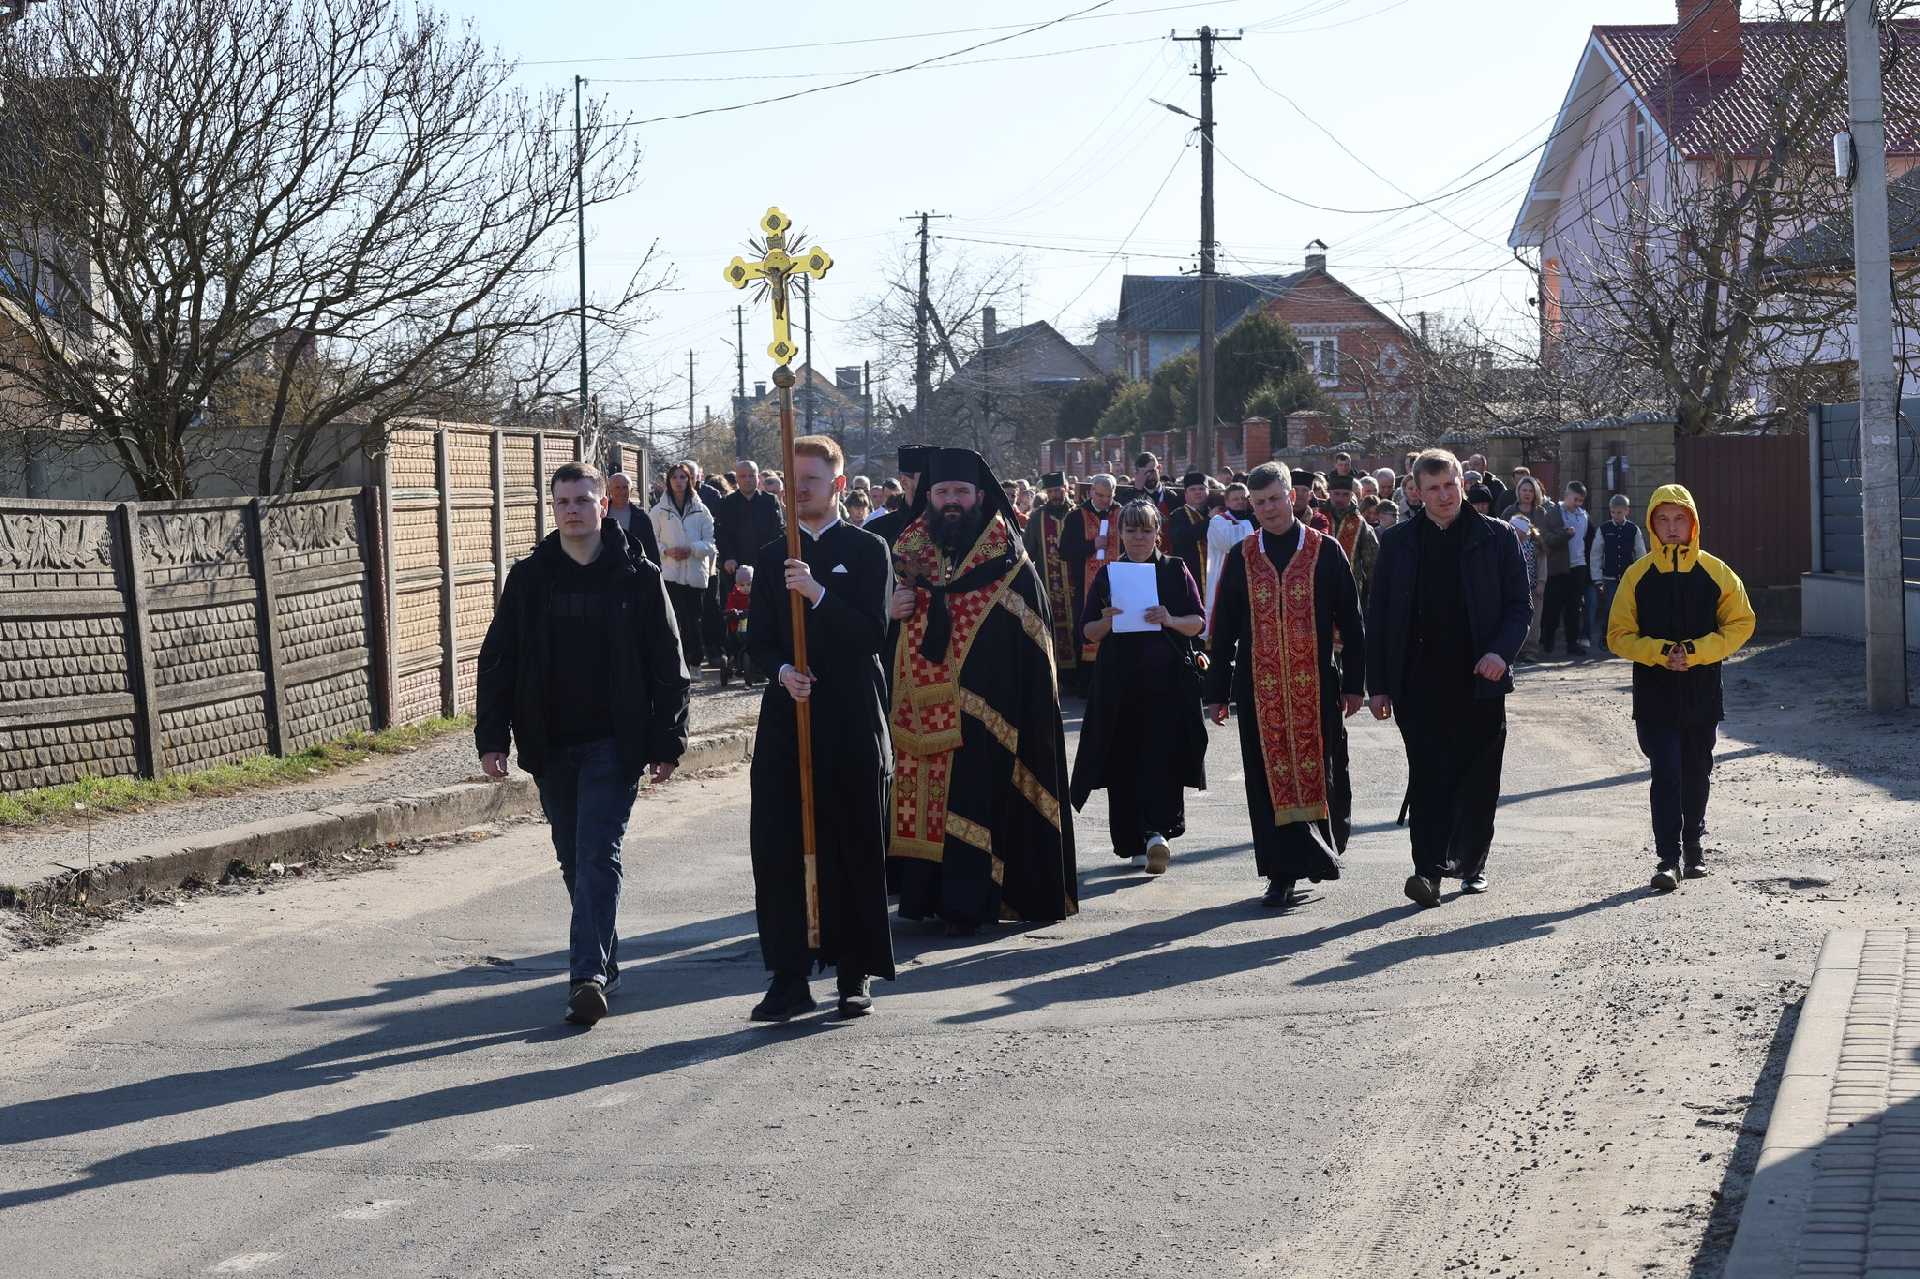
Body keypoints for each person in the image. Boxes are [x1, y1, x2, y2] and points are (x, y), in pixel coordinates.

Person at [475, 461, 690, 1026]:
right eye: (562, 501)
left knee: (598, 852)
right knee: (573, 858)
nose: (572, 510)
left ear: (604, 505)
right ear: (553, 509)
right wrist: (492, 737)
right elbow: (499, 661)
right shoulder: (529, 578)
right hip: (550, 741)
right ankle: (605, 958)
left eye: (583, 500)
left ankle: (586, 976)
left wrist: (668, 739)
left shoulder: (637, 576)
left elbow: (669, 662)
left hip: (614, 742)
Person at [885, 447, 1078, 935]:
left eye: (961, 492)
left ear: (979, 497)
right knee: (930, 800)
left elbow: (1034, 647)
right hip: (923, 709)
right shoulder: (908, 555)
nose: (952, 501)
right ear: (928, 497)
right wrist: (894, 612)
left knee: (976, 799)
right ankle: (927, 896)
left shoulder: (1009, 560)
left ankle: (971, 902)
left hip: (992, 714)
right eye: (942, 492)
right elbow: (879, 634)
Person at [745, 435, 896, 1021]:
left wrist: (817, 592)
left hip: (851, 714)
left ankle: (854, 972)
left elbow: (871, 633)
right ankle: (787, 974)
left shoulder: (867, 550)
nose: (798, 488)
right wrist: (782, 670)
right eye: (792, 478)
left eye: (810, 479)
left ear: (836, 485)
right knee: (780, 842)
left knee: (851, 839)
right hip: (789, 714)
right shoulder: (769, 553)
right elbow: (758, 640)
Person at [1366, 449, 1530, 908]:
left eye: (1450, 485)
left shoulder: (1496, 538)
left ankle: (1472, 862)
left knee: (1478, 778)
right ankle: (1428, 870)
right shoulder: (1398, 543)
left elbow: (1520, 606)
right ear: (1416, 491)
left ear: (1462, 483)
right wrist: (1377, 684)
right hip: (1417, 682)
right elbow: (1378, 616)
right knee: (1428, 775)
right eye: (1432, 488)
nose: (1443, 495)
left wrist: (1501, 652)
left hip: (1480, 680)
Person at [1205, 462, 1365, 909]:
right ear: (1250, 506)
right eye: (1259, 503)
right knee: (1266, 777)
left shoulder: (1325, 550)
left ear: (1292, 497)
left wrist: (1356, 684)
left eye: (1275, 499)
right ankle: (1281, 873)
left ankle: (1319, 852)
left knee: (1322, 769)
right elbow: (1225, 629)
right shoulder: (1242, 556)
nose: (1268, 509)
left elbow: (1352, 624)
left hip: (1316, 686)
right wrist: (1216, 691)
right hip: (1260, 688)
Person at [1606, 485, 1755, 892]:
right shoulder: (1637, 575)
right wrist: (1656, 652)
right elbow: (1618, 635)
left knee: (1696, 770)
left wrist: (1697, 651)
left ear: (1693, 523)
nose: (1671, 528)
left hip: (1702, 690)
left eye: (1679, 519)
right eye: (1663, 520)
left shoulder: (1716, 571)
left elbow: (1742, 623)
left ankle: (1694, 846)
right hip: (1654, 692)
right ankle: (1667, 857)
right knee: (1666, 772)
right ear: (1652, 524)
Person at [1071, 500, 1208, 875]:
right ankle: (1135, 840)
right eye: (1131, 530)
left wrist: (1169, 618)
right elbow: (1087, 631)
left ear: (1156, 533)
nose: (1138, 537)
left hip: (1166, 684)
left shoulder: (1175, 570)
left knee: (1161, 755)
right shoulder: (1107, 575)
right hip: (1119, 683)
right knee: (1123, 759)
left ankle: (1157, 834)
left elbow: (1198, 623)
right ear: (1120, 534)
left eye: (1145, 530)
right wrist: (1107, 621)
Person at [649, 461, 717, 674]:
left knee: (693, 619)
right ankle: (677, 662)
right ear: (668, 481)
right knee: (674, 618)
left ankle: (695, 660)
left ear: (690, 480)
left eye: (683, 477)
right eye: (675, 477)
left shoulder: (702, 510)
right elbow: (651, 541)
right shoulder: (659, 510)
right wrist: (666, 552)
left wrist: (691, 549)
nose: (679, 482)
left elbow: (711, 543)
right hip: (670, 572)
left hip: (695, 573)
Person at [1021, 470, 1083, 681]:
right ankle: (1059, 676)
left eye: (1059, 489)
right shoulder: (1037, 518)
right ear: (1046, 493)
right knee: (1053, 629)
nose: (1056, 494)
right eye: (1051, 491)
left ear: (1066, 488)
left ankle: (1080, 675)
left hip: (1078, 583)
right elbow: (1027, 551)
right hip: (1048, 585)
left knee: (1079, 623)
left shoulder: (1078, 513)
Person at [1060, 473, 1121, 670]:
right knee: (1087, 625)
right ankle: (1086, 680)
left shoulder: (1121, 513)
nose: (1105, 501)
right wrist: (1091, 545)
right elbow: (1065, 551)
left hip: (1118, 581)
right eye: (1100, 495)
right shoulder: (1076, 516)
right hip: (1087, 583)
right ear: (1091, 492)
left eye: (1109, 496)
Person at [716, 460, 786, 595]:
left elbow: (777, 531)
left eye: (751, 475)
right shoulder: (727, 503)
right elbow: (722, 534)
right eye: (743, 476)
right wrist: (728, 557)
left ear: (758, 477)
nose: (747, 479)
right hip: (735, 567)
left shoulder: (769, 501)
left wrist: (771, 558)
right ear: (737, 479)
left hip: (765, 565)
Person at [1532, 483, 1583, 657]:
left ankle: (1572, 644)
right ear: (1567, 496)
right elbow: (1546, 539)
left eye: (1581, 500)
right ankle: (1547, 643)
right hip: (1558, 568)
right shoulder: (1552, 514)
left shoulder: (1583, 515)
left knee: (1574, 609)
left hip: (1577, 567)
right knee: (1552, 609)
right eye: (1575, 499)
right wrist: (1565, 534)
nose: (1577, 503)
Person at [1504, 475, 1549, 660]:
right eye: (1524, 490)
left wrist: (1541, 583)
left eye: (1531, 490)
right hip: (1513, 586)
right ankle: (1514, 650)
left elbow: (1542, 561)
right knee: (1513, 618)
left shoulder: (1536, 539)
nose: (1527, 493)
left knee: (1534, 619)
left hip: (1533, 585)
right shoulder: (1508, 512)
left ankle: (1530, 650)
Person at [1595, 493, 1647, 649]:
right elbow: (1596, 554)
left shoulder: (1633, 530)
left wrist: (1641, 576)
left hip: (1627, 577)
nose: (1616, 515)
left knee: (1628, 608)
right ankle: (1605, 638)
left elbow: (1640, 553)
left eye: (1619, 512)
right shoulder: (1604, 529)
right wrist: (1597, 578)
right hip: (1609, 577)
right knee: (1609, 608)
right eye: (1613, 512)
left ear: (1626, 511)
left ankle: (1628, 637)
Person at [1204, 482, 1254, 630]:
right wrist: (1252, 523)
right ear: (1226, 502)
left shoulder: (1254, 518)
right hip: (1225, 575)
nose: (1240, 502)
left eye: (1243, 498)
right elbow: (1230, 544)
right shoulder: (1218, 521)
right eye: (1235, 499)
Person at [1326, 473, 1379, 611]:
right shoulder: (1318, 518)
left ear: (1351, 495)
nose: (1340, 498)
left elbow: (1372, 563)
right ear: (1329, 493)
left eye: (1345, 494)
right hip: (1320, 588)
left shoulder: (1359, 523)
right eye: (1336, 493)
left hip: (1351, 589)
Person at [863, 446, 930, 548]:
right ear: (904, 481)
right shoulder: (876, 530)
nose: (931, 484)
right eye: (925, 478)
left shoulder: (948, 528)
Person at [1164, 470, 1212, 597]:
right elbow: (1181, 538)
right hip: (1188, 577)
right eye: (1193, 489)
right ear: (1185, 493)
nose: (1198, 492)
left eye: (1202, 488)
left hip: (1214, 575)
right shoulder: (1177, 515)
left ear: (1208, 492)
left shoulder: (1214, 514)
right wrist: (1209, 521)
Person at [604, 471, 662, 564]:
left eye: (625, 487)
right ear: (610, 490)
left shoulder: (641, 517)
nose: (621, 491)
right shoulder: (601, 515)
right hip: (607, 568)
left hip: (635, 569)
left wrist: (656, 572)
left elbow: (651, 548)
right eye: (617, 487)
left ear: (630, 490)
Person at [721, 565, 756, 687]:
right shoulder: (734, 595)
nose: (745, 588)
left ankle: (758, 668)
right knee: (734, 646)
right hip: (737, 628)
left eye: (749, 584)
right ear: (737, 585)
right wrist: (732, 611)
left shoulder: (756, 596)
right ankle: (731, 662)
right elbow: (728, 608)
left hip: (753, 629)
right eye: (742, 585)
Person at [1291, 469, 1333, 534]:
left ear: (1310, 495)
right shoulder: (1279, 516)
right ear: (1290, 493)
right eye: (1296, 490)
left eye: (1304, 490)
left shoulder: (1318, 519)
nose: (1299, 494)